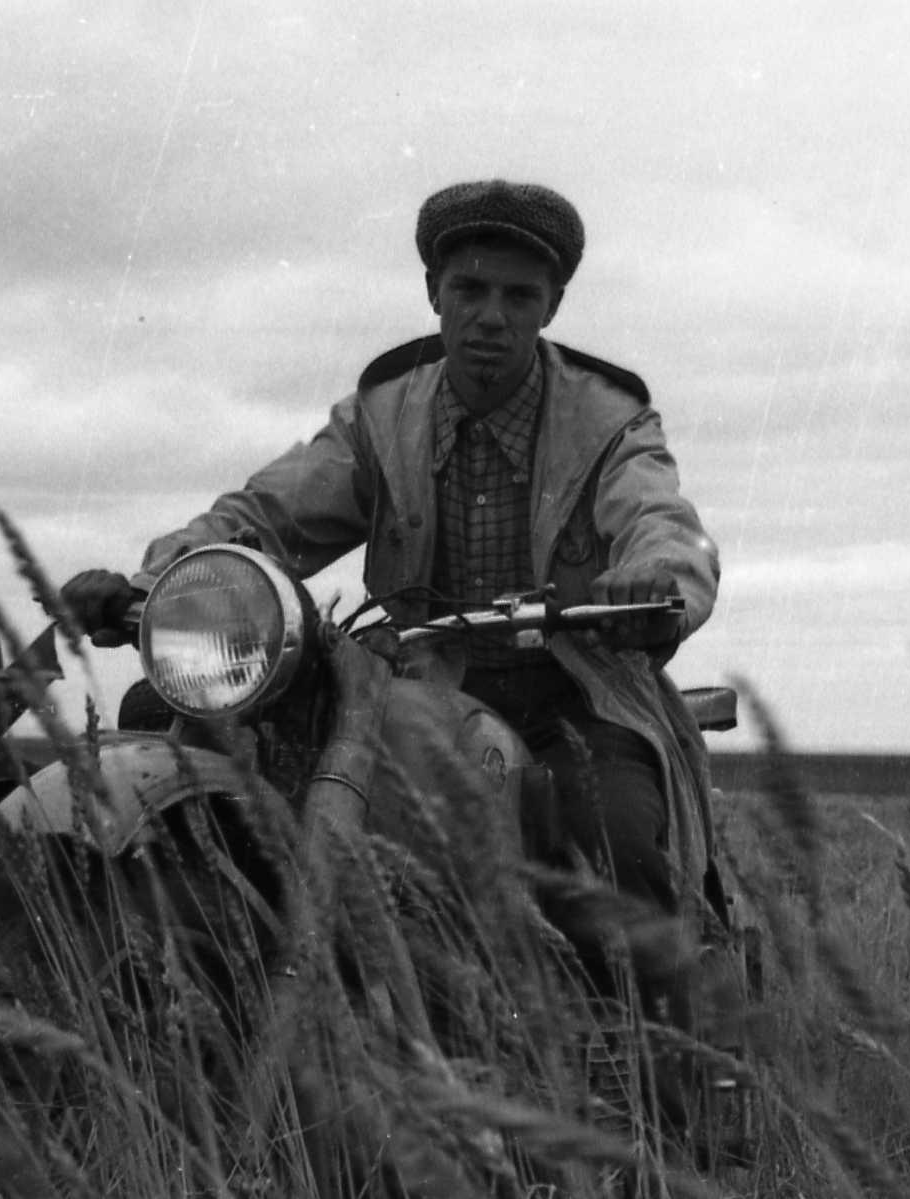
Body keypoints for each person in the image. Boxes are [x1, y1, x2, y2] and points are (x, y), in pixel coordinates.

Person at [62, 179, 722, 920]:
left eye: (519, 296)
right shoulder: (382, 417)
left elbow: (659, 517)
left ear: (553, 306)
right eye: (469, 289)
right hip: (413, 685)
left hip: (574, 690)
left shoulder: (610, 420)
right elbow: (266, 514)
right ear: (434, 292)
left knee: (617, 846)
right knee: (188, 745)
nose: (491, 317)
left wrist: (652, 581)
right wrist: (153, 584)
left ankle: (650, 997)